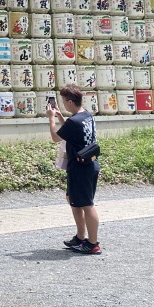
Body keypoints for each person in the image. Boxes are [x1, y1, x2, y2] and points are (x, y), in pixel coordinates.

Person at [47, 83, 102, 255]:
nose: (63, 104)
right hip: (89, 164)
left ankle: (92, 243)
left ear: (70, 102)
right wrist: (61, 117)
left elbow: (56, 137)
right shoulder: (86, 116)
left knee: (87, 204)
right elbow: (71, 130)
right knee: (73, 200)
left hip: (81, 167)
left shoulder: (74, 122)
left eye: (64, 101)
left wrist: (50, 118)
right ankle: (80, 237)